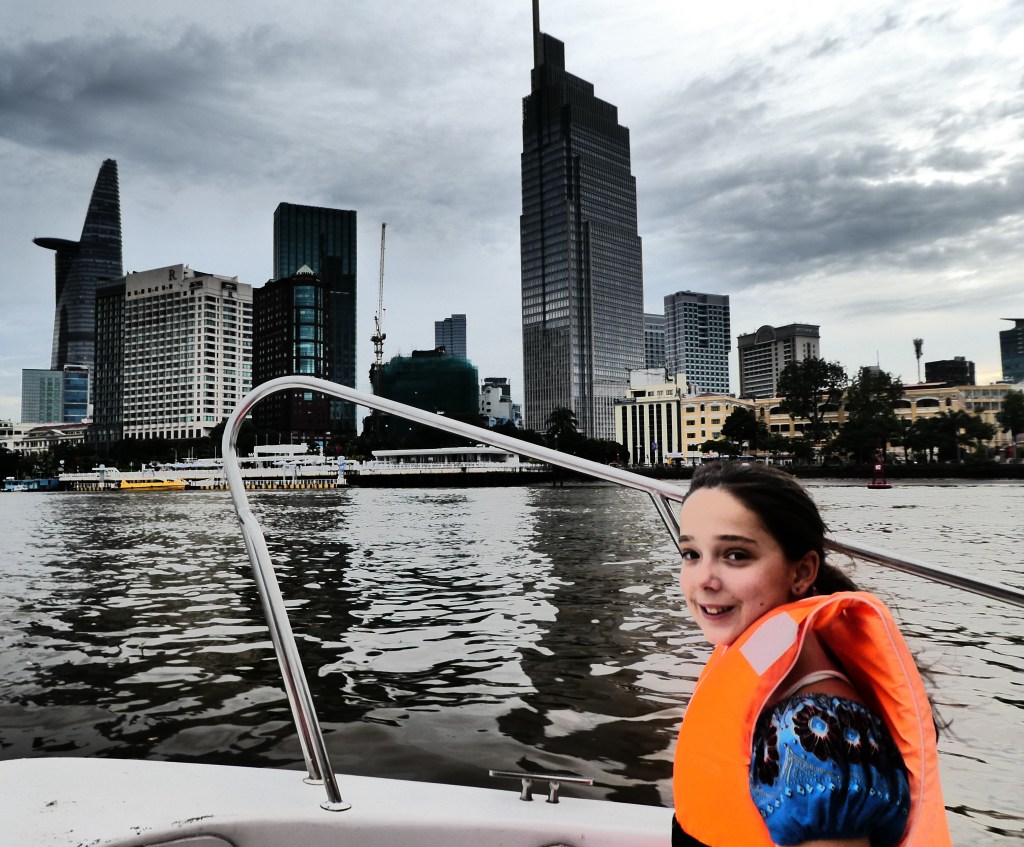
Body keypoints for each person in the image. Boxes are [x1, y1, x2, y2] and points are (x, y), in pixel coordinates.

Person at [671, 461, 950, 846]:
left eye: (735, 555)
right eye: (691, 554)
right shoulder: (777, 658)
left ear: (801, 573)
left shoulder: (814, 736)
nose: (704, 579)